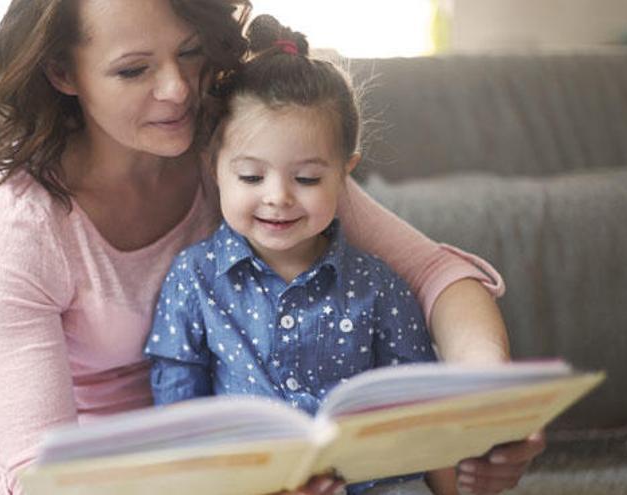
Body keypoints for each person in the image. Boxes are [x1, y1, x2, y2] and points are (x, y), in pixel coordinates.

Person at [0, 0, 545, 494]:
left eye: (189, 52)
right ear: (64, 73)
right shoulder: (17, 223)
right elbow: (36, 471)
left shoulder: (244, 157)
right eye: (134, 70)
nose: (177, 90)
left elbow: (434, 273)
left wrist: (484, 399)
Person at [143, 14, 453, 494]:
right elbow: (180, 417)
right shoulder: (194, 279)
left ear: (344, 173)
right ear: (214, 166)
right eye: (251, 177)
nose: (278, 197)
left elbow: (419, 411)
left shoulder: (379, 286)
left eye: (307, 179)